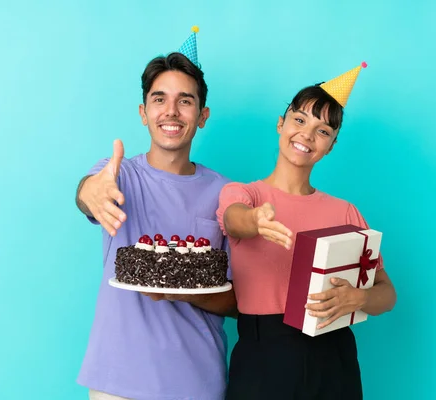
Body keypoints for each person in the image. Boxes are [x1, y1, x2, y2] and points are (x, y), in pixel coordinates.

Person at [216, 63, 397, 400]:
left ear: (330, 146)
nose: (308, 135)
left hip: (334, 355)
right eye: (300, 120)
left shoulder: (345, 211)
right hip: (263, 356)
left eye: (323, 131)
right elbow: (233, 219)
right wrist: (255, 220)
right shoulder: (245, 195)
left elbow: (388, 293)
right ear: (280, 123)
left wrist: (360, 298)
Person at [75, 28, 236, 400]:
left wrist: (182, 289)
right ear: (144, 113)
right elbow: (89, 191)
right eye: (159, 99)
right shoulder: (119, 175)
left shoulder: (227, 194)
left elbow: (240, 303)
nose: (171, 111)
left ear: (202, 115)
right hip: (118, 379)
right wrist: (89, 191)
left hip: (197, 381)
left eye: (185, 101)